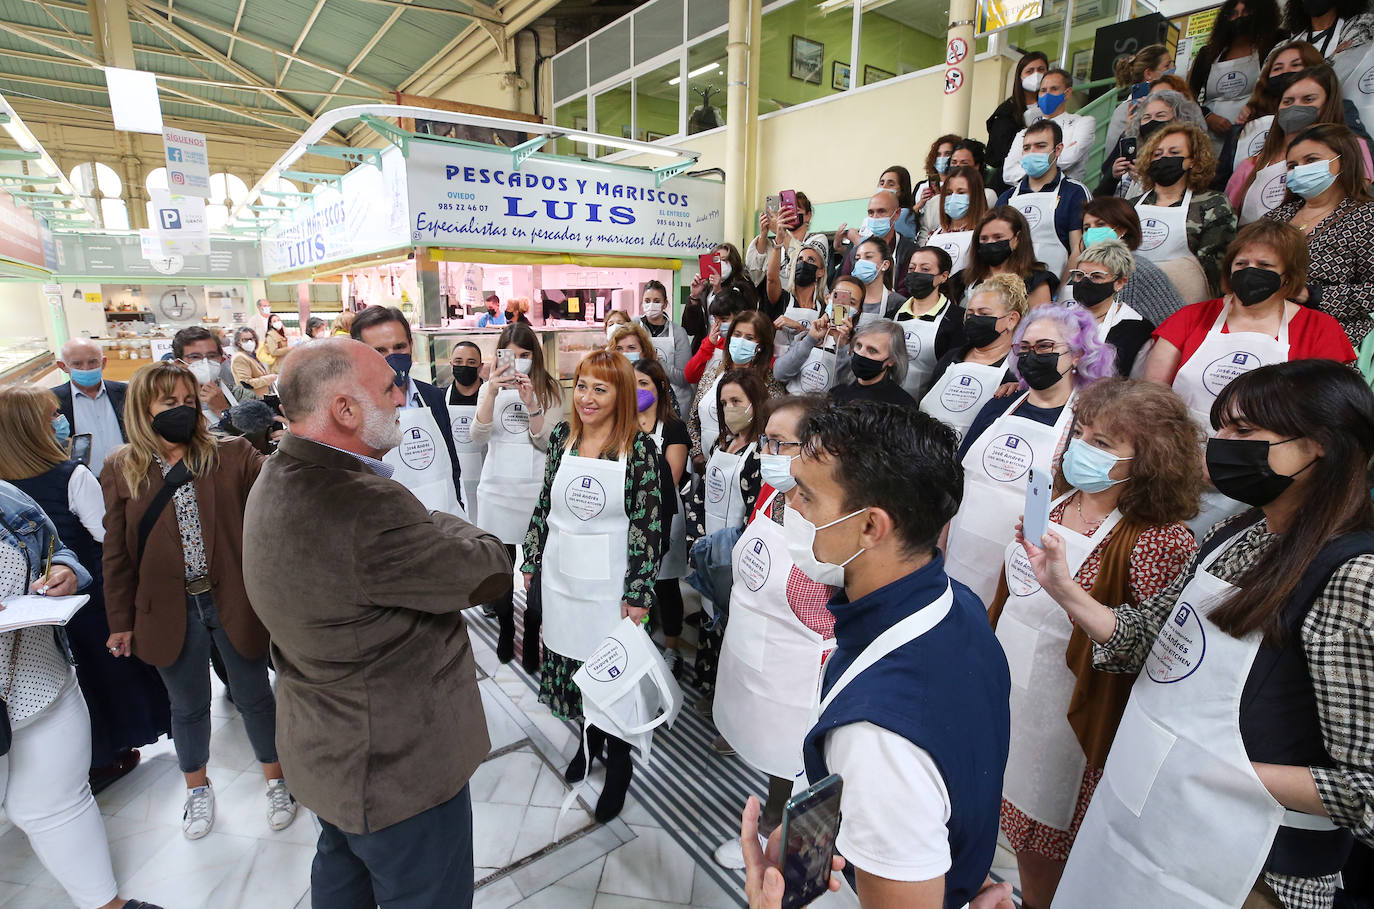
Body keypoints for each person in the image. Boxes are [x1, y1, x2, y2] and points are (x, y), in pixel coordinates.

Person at [1032, 360, 1374, 909]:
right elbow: (1151, 640)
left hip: (1247, 870)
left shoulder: (1351, 576)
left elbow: (1367, 787)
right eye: (1222, 428)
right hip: (1148, 820)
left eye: (1244, 432)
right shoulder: (1233, 532)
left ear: (1319, 446)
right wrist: (1068, 592)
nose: (1222, 444)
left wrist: (1214, 768)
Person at [243, 338, 512, 909]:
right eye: (388, 386)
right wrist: (435, 517)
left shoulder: (277, 474)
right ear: (343, 410)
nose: (401, 396)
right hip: (396, 770)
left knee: (343, 883)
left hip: (327, 753)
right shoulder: (368, 506)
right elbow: (488, 570)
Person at [775, 401, 1011, 908]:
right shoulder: (957, 604)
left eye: (807, 497)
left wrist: (763, 900)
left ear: (871, 527)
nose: (789, 505)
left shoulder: (878, 740)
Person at [986, 378, 1202, 909]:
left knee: (1050, 860)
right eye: (1081, 433)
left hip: (1074, 720)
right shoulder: (1055, 503)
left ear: (1147, 460)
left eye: (1103, 443)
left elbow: (1146, 649)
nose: (1081, 447)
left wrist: (1064, 589)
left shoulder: (1158, 538)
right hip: (1011, 694)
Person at [101, 362, 295, 840]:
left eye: (189, 401)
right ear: (144, 409)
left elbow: (281, 483)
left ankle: (277, 781)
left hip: (229, 598)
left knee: (254, 695)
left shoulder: (229, 454)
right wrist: (120, 621)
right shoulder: (122, 467)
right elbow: (117, 553)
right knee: (187, 705)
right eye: (170, 403)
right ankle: (197, 789)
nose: (182, 411)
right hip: (168, 607)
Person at [0, 480, 164, 909]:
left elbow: (57, 549)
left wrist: (65, 572)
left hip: (41, 682)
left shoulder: (6, 496)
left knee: (57, 804)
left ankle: (106, 904)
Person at [0, 385, 170, 792]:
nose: (61, 424)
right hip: (90, 604)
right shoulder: (71, 476)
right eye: (51, 418)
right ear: (31, 430)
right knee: (106, 678)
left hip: (33, 614)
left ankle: (88, 759)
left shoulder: (6, 489)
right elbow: (108, 536)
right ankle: (112, 752)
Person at [521, 349, 662, 823]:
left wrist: (639, 592)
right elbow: (546, 504)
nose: (586, 397)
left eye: (600, 388)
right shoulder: (563, 436)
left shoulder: (639, 450)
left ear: (622, 394)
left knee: (612, 680)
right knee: (572, 668)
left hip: (610, 588)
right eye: (581, 385)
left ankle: (618, 764)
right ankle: (587, 742)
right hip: (563, 582)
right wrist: (531, 555)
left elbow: (648, 527)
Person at [1144, 220, 1356, 536]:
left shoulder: (1320, 329)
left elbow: (1328, 417)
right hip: (1177, 469)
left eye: (1264, 265)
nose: (1249, 271)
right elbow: (1151, 399)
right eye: (1241, 263)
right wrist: (1179, 458)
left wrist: (1239, 461)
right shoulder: (1191, 317)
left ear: (1288, 275)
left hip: (1267, 482)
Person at [710, 395, 838, 871]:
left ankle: (792, 855)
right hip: (754, 651)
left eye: (779, 444)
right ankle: (774, 827)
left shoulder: (834, 514)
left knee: (801, 763)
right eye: (766, 440)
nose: (767, 453)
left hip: (799, 668)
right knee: (774, 761)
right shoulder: (774, 495)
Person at [945, 304, 1116, 606]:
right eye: (1024, 348)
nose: (1032, 355)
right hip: (958, 555)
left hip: (1024, 569)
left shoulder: (1089, 423)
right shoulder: (1000, 404)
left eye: (1045, 346)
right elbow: (955, 479)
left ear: (1078, 354)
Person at [473, 322, 563, 666]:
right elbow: (478, 436)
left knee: (537, 569)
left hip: (536, 493)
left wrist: (531, 404)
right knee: (500, 568)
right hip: (497, 489)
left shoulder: (550, 389)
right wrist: (492, 391)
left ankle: (532, 628)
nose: (520, 362)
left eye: (526, 355)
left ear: (535, 356)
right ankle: (506, 628)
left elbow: (546, 441)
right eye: (513, 355)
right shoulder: (488, 389)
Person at [1264, 122, 1374, 346]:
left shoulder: (1368, 216)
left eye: (1311, 160)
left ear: (1344, 160)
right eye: (1292, 165)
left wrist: (1311, 295)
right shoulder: (1274, 217)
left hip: (1331, 334)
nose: (1299, 170)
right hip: (1263, 324)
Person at [351, 305, 465, 517]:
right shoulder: (354, 409)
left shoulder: (433, 396)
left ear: (412, 345)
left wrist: (458, 504)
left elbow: (452, 463)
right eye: (380, 351)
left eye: (399, 347)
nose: (392, 357)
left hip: (444, 520)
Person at [1229, 64, 1367, 224]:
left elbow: (1356, 200)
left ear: (1328, 103)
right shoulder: (1251, 164)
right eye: (1288, 101)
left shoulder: (1354, 148)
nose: (1296, 106)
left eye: (1308, 99)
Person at [1133, 121, 1238, 302]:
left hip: (1186, 303)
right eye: (1157, 154)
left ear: (1193, 161)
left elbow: (1213, 268)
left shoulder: (1213, 203)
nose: (1163, 158)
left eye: (1174, 153)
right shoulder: (1129, 206)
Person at [921, 273, 1028, 440]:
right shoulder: (951, 357)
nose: (975, 319)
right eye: (970, 315)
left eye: (984, 314)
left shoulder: (1020, 369)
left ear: (1011, 320)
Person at [635, 359, 690, 674]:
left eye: (644, 383)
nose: (637, 390)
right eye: (633, 384)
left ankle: (671, 648)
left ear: (661, 388)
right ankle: (636, 640)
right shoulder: (622, 424)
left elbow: (670, 477)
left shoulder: (673, 427)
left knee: (666, 584)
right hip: (630, 512)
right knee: (635, 579)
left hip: (664, 512)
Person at [688, 311, 783, 470]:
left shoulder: (769, 385)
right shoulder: (712, 374)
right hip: (704, 465)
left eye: (749, 338)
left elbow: (774, 432)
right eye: (737, 335)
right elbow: (692, 420)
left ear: (761, 347)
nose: (741, 342)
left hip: (746, 469)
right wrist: (697, 454)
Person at [997, 119, 1091, 280]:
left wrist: (1060, 294)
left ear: (1058, 149)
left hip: (1057, 291)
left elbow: (1079, 249)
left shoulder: (1074, 192)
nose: (1032, 152)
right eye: (1027, 148)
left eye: (1040, 146)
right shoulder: (1007, 198)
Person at [1189, 0, 1283, 150]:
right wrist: (1207, 117)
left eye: (1246, 12)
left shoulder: (1274, 45)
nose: (1239, 18)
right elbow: (1188, 95)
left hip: (1255, 136)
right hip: (1210, 139)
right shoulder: (1207, 54)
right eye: (1234, 14)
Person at [1082, 197, 1188, 325]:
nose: (1092, 231)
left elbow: (1179, 324)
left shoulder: (1140, 271)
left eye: (1100, 225)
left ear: (1122, 229)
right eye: (1087, 228)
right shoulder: (1081, 272)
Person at [1067, 239, 1157, 376]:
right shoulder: (1059, 319)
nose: (1085, 282)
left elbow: (1137, 384)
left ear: (1119, 282)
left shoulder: (1138, 331)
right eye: (1079, 275)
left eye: (1096, 276)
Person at [1098, 89, 1209, 199]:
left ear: (1178, 119)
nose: (1152, 121)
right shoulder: (1132, 152)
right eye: (1147, 117)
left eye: (1160, 116)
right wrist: (1112, 177)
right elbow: (1097, 201)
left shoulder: (1185, 156)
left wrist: (1145, 180)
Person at [895, 246, 968, 399]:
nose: (916, 273)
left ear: (943, 276)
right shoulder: (893, 314)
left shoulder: (957, 319)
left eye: (925, 269)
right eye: (912, 268)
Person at [1003, 68, 1096, 186]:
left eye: (1054, 89)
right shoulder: (1024, 133)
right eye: (1043, 90)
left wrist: (1028, 165)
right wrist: (1054, 158)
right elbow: (1008, 173)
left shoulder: (1083, 123)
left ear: (1067, 93)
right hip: (1028, 194)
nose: (1047, 94)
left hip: (1067, 194)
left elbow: (1070, 158)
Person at [773, 277, 860, 397]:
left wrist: (842, 345)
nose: (843, 305)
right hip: (792, 406)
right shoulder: (806, 335)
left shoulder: (858, 348)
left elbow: (847, 385)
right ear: (828, 298)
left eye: (852, 302)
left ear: (858, 310)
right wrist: (810, 339)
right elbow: (779, 373)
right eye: (838, 297)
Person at [959, 206, 1059, 308]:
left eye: (998, 237)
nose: (990, 243)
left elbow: (1040, 321)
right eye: (984, 239)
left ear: (1017, 239)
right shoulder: (963, 279)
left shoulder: (1035, 281)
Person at [52, 337, 126, 473]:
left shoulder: (126, 393)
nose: (86, 369)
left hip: (130, 476)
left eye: (92, 362)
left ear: (103, 362)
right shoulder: (51, 401)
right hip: (82, 481)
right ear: (63, 366)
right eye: (77, 364)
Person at [987, 51, 1052, 193]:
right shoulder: (1006, 112)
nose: (1036, 75)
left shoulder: (1052, 108)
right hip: (1010, 184)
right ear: (1020, 77)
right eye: (1030, 71)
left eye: (1041, 69)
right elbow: (1000, 155)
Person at [747, 191, 828, 293]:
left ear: (808, 215)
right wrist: (763, 235)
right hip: (780, 303)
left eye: (795, 211)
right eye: (786, 211)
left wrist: (779, 231)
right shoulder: (777, 244)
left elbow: (804, 264)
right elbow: (755, 276)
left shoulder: (818, 239)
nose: (790, 215)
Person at [1104, 45, 1177, 158]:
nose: (1173, 68)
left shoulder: (1176, 104)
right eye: (1167, 66)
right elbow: (1114, 155)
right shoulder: (1125, 111)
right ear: (1148, 74)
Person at [766, 238, 829, 364]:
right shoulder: (782, 298)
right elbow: (772, 279)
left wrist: (799, 328)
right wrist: (778, 244)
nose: (804, 263)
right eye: (800, 259)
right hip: (775, 368)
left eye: (811, 260)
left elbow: (824, 343)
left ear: (821, 272)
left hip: (807, 371)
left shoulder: (823, 307)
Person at [919, 165, 990, 277]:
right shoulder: (934, 234)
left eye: (961, 193)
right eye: (948, 193)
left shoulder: (985, 234)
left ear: (975, 196)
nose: (953, 198)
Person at [837, 190, 917, 287]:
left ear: (897, 214)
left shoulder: (909, 251)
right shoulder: (855, 253)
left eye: (881, 211)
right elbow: (845, 285)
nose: (875, 217)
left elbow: (906, 290)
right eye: (871, 212)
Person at [446, 340, 487, 525]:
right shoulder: (440, 399)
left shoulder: (492, 397)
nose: (464, 366)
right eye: (459, 361)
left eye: (471, 363)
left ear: (480, 367)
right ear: (451, 365)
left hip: (487, 479)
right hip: (456, 481)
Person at [638, 279, 693, 415]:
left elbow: (683, 378)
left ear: (665, 304)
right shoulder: (633, 327)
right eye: (647, 300)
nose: (651, 305)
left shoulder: (678, 333)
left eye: (656, 301)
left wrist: (656, 362)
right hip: (641, 400)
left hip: (674, 404)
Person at [831, 321, 917, 408]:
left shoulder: (902, 405)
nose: (861, 353)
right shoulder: (836, 393)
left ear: (891, 360)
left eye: (872, 350)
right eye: (859, 345)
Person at [172, 326, 240, 426]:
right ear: (179, 363)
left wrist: (222, 410)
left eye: (212, 356)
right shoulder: (167, 399)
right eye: (195, 357)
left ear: (222, 359)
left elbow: (260, 435)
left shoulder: (240, 395)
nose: (205, 362)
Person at [690, 242, 759, 317]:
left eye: (724, 260)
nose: (721, 264)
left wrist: (718, 292)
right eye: (716, 260)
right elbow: (692, 325)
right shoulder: (706, 288)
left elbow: (743, 316)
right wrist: (694, 297)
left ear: (733, 262)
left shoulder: (743, 286)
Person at [851, 234, 908, 321]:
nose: (861, 262)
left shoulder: (897, 303)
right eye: (858, 258)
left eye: (868, 257)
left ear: (885, 265)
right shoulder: (844, 298)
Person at [229, 326, 276, 397]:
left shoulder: (250, 355)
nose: (250, 342)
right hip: (253, 399)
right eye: (245, 340)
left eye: (252, 339)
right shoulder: (239, 358)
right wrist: (269, 378)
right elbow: (246, 383)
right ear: (238, 342)